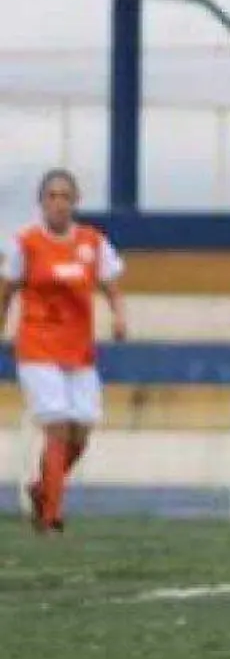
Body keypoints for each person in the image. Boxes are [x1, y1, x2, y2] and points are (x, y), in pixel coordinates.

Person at [0, 169, 128, 533]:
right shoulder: (25, 244)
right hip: (38, 346)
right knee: (57, 428)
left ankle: (44, 488)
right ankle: (51, 517)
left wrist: (120, 318)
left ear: (75, 202)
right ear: (41, 202)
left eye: (65, 196)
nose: (58, 203)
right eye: (52, 196)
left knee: (80, 433)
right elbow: (7, 290)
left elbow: (111, 286)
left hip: (79, 351)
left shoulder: (92, 243)